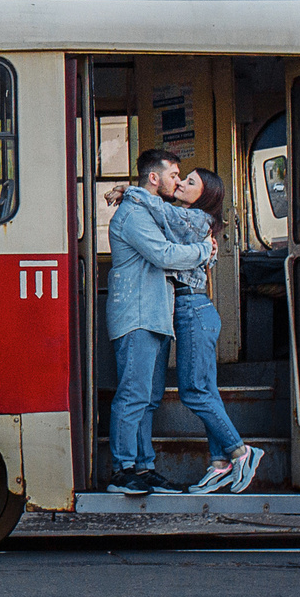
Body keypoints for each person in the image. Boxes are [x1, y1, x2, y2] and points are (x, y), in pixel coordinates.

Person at [104, 148, 213, 495]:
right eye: (174, 175)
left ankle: (144, 465)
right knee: (133, 394)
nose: (178, 181)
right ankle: (122, 469)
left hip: (153, 315)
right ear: (154, 178)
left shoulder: (151, 212)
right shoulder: (134, 214)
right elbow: (164, 255)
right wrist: (203, 251)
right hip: (136, 315)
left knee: (148, 397)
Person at [161, 170, 262, 495]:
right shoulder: (195, 221)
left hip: (193, 312)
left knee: (193, 392)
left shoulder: (194, 218)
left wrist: (130, 192)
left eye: (190, 183)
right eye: (182, 178)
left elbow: (156, 210)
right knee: (207, 390)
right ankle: (220, 463)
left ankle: (239, 450)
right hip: (197, 312)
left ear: (204, 196)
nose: (180, 184)